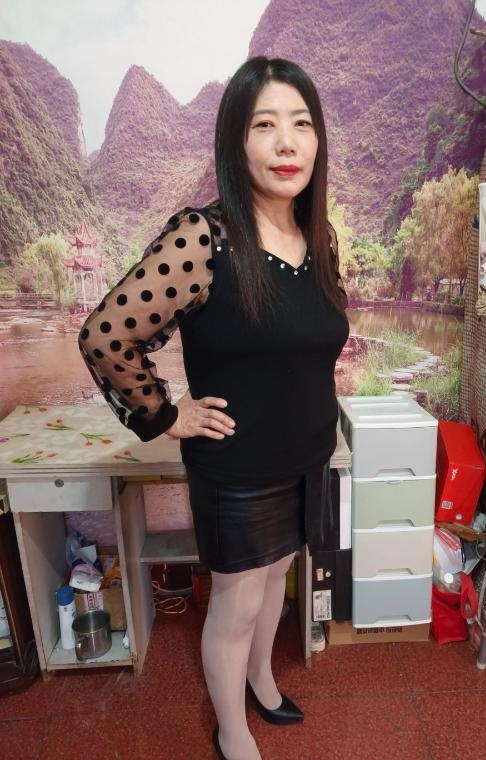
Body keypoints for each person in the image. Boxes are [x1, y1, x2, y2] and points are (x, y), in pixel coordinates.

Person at [79, 57, 349, 760]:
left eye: (301, 124)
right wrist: (168, 415)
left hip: (306, 454)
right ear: (236, 141)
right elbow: (107, 335)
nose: (287, 143)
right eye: (265, 126)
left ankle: (262, 681)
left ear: (317, 140)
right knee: (237, 601)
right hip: (236, 467)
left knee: (276, 582)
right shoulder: (204, 238)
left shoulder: (319, 237)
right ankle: (232, 732)